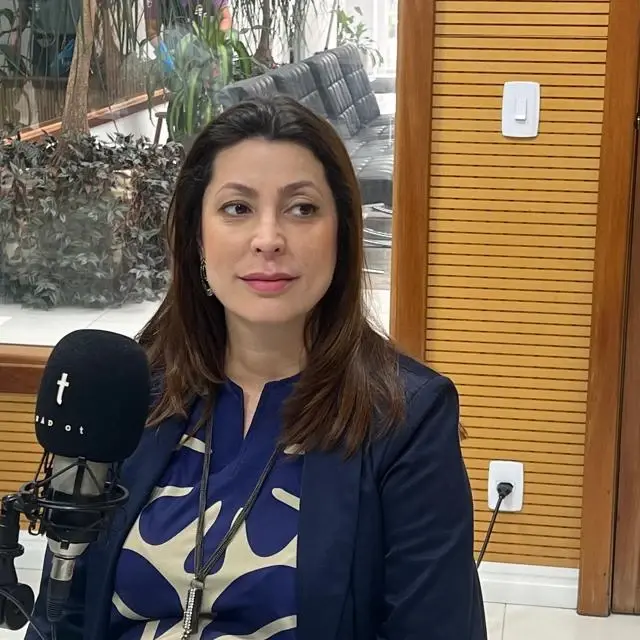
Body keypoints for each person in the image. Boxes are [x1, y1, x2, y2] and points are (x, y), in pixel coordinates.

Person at [26, 95, 487, 640]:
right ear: (197, 237)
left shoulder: (407, 417)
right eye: (237, 208)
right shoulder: (132, 392)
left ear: (341, 234)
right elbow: (62, 614)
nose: (268, 239)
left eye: (302, 209)